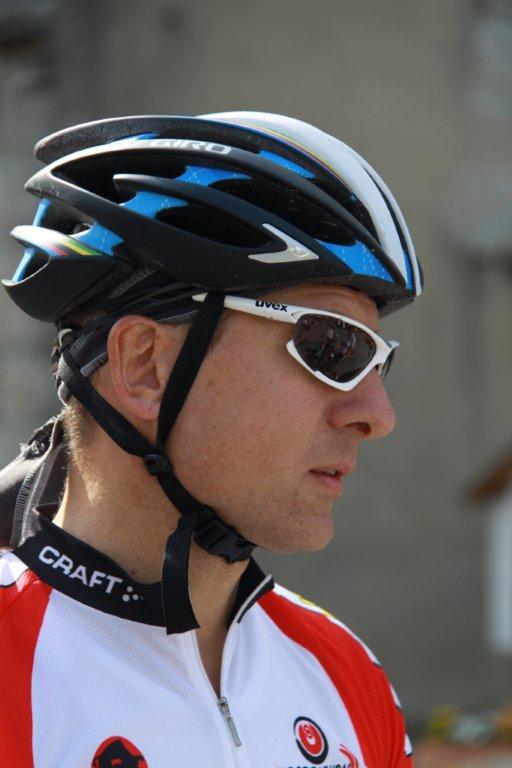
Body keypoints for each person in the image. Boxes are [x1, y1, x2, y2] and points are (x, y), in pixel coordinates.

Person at [0, 111, 422, 767]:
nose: (377, 414)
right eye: (332, 346)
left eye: (377, 363)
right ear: (146, 366)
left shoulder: (345, 674)